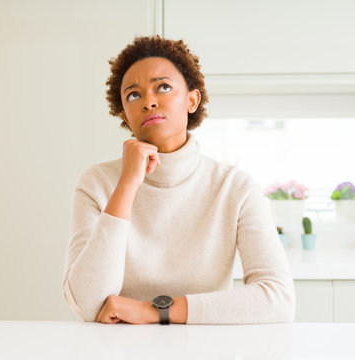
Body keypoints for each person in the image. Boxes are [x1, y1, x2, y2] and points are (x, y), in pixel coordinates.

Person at [62, 35, 295, 325]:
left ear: (192, 100)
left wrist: (154, 311)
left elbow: (278, 300)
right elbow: (86, 304)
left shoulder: (236, 188)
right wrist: (127, 184)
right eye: (134, 95)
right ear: (126, 115)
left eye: (163, 87)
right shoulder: (96, 183)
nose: (148, 101)